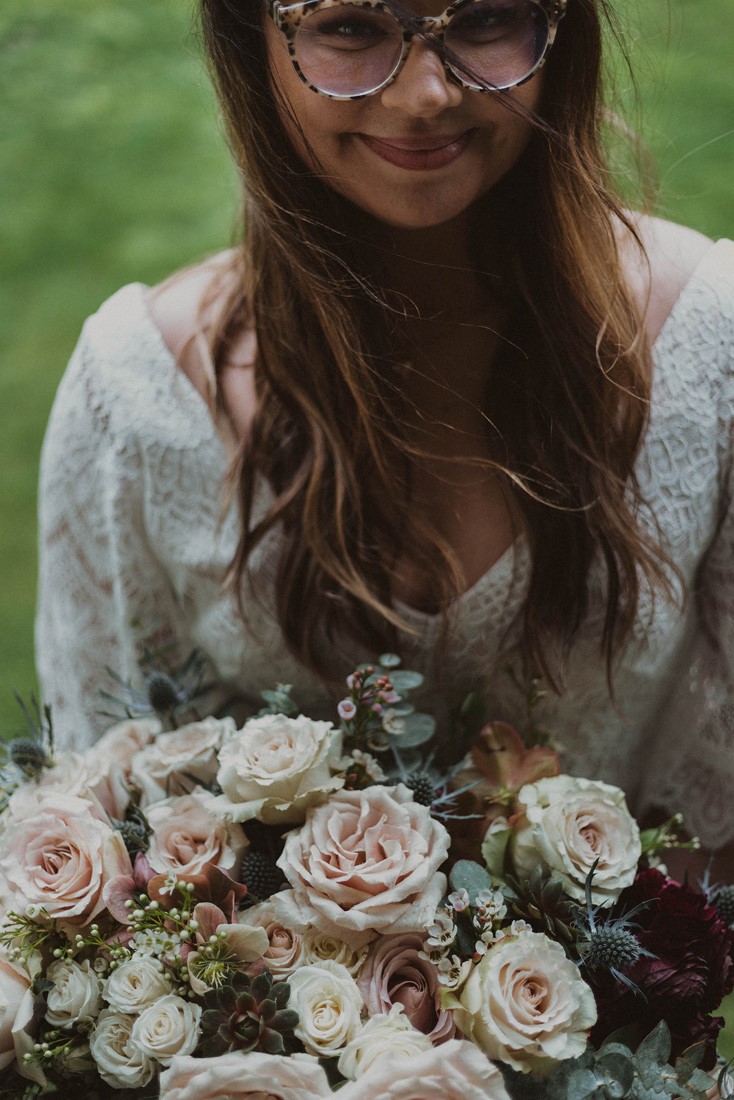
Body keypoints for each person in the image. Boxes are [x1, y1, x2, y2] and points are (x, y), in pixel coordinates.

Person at [36, 0, 733, 865]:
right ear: (248, 44)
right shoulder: (137, 394)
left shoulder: (709, 345)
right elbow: (96, 811)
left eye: (484, 17)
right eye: (351, 27)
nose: (426, 93)